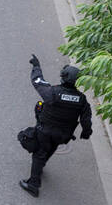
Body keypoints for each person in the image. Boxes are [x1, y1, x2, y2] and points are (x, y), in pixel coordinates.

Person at [18, 56, 92, 197]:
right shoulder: (82, 99)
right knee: (51, 148)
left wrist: (36, 66)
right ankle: (41, 165)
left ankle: (33, 184)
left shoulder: (53, 93)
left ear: (63, 78)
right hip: (63, 135)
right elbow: (86, 118)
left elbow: (38, 81)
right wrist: (86, 132)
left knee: (39, 153)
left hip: (45, 131)